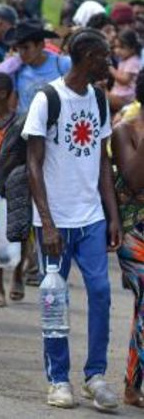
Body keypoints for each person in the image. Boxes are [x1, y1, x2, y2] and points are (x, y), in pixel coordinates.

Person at [24, 29, 120, 411]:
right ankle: (58, 379)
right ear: (86, 57)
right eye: (103, 57)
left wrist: (112, 216)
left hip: (91, 216)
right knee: (54, 299)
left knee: (101, 293)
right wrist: (46, 222)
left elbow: (102, 161)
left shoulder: (99, 100)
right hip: (55, 219)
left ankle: (94, 375)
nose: (108, 63)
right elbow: (33, 163)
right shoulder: (47, 99)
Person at [112, 74, 144, 408]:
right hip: (134, 232)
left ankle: (133, 383)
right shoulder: (125, 130)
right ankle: (132, 386)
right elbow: (134, 179)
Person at [0, 72, 25, 307]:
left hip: (18, 181)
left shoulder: (20, 122)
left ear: (1, 94)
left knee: (21, 231)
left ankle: (18, 274)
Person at [0, 19, 71, 112]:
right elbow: (12, 107)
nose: (22, 53)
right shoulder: (17, 70)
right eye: (18, 48)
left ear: (41, 45)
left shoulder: (63, 65)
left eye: (26, 47)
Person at [111, 29, 142, 113]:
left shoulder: (133, 61)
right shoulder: (124, 60)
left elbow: (125, 80)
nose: (117, 50)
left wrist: (111, 69)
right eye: (116, 47)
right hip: (120, 93)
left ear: (133, 48)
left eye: (122, 48)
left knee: (104, 95)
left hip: (127, 96)